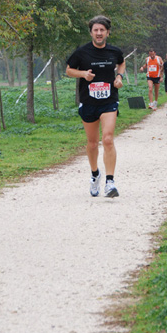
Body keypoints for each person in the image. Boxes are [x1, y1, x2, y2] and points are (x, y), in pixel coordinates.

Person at [66, 15, 125, 198]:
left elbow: (121, 63)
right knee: (92, 143)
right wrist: (83, 74)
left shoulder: (115, 51)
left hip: (109, 101)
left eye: (102, 30)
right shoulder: (81, 52)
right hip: (89, 102)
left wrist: (119, 77)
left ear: (108, 32)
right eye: (95, 30)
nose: (99, 33)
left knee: (107, 139)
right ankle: (95, 175)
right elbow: (68, 70)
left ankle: (110, 182)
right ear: (91, 32)